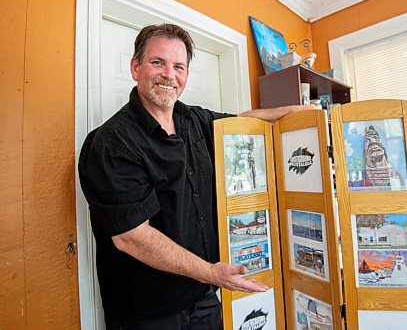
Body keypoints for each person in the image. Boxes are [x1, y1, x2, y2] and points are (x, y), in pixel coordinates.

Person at [78, 23, 312, 329]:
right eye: (157, 62)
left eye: (179, 66)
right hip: (149, 312)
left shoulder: (194, 119)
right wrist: (213, 273)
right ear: (136, 67)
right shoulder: (112, 143)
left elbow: (246, 121)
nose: (169, 75)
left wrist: (309, 115)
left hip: (203, 297)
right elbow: (132, 237)